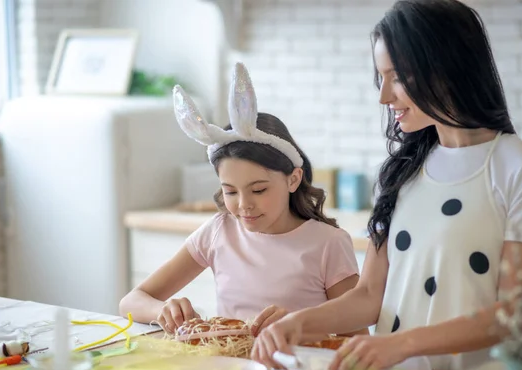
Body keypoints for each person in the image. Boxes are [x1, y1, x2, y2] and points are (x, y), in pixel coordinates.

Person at [251, 0, 522, 370]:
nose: (384, 96)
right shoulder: (401, 172)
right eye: (381, 78)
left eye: (397, 76)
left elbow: (515, 314)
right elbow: (369, 296)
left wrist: (400, 344)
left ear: (447, 67)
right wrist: (297, 323)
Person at [119, 63, 363, 345]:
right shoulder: (218, 231)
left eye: (258, 189)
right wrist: (163, 310)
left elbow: (356, 341)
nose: (244, 205)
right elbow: (131, 301)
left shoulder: (328, 244)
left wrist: (300, 329)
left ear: (293, 179)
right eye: (230, 191)